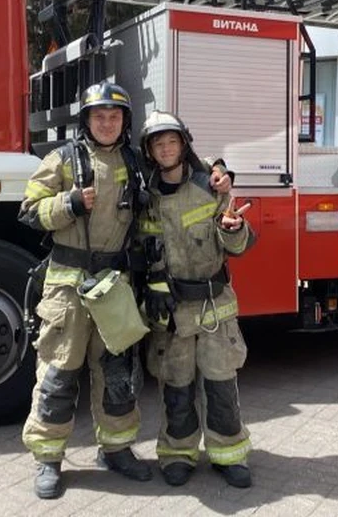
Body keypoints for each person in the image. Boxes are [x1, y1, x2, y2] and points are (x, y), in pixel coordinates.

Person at [18, 83, 232, 500]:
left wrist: (219, 168)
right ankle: (49, 458)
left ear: (124, 122)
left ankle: (116, 449)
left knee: (117, 375)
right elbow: (28, 211)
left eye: (114, 117)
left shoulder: (137, 161)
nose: (106, 122)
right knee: (59, 374)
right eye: (98, 116)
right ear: (86, 120)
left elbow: (179, 164)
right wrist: (70, 204)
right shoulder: (62, 159)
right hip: (68, 285)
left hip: (116, 287)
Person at [137, 110, 256, 489]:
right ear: (150, 151)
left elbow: (236, 242)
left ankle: (228, 454)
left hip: (214, 307)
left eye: (172, 141)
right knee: (176, 387)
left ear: (183, 145)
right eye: (159, 143)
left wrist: (235, 229)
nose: (166, 148)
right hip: (171, 312)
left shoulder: (210, 185)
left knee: (221, 385)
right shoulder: (145, 196)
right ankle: (177, 454)